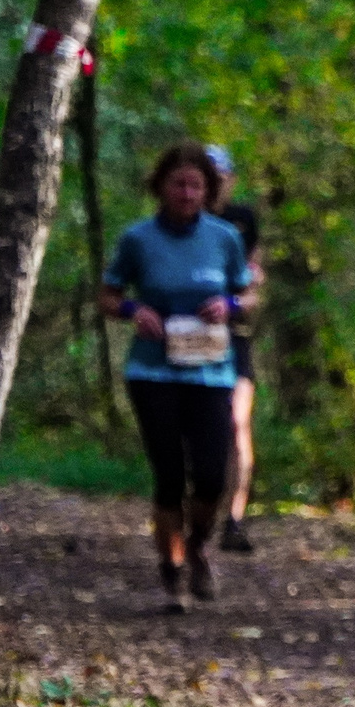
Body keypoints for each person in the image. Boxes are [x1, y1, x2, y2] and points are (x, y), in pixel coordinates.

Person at [99, 142, 250, 613]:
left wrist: (230, 306)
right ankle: (172, 570)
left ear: (209, 191)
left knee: (209, 475)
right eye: (178, 184)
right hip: (153, 371)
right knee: (168, 475)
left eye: (196, 185)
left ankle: (200, 543)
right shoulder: (138, 239)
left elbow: (248, 296)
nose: (187, 193)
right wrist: (131, 310)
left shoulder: (225, 238)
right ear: (161, 187)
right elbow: (106, 294)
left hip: (210, 372)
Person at [204, 144, 263, 552]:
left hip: (233, 336)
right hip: (187, 339)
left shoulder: (244, 222)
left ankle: (235, 519)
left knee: (238, 424)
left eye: (219, 176)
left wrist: (237, 302)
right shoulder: (177, 222)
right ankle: (198, 514)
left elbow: (258, 281)